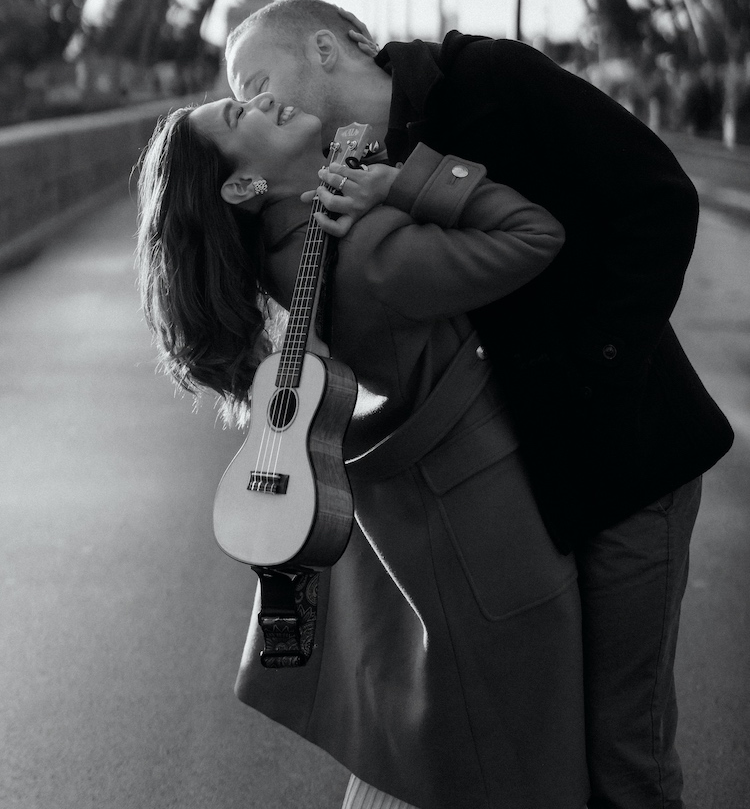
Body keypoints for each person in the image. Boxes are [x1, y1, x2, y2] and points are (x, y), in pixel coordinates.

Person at [225, 0, 735, 809]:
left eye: (254, 81)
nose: (253, 105)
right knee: (562, 751)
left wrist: (594, 375)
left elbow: (658, 195)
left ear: (326, 47)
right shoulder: (347, 182)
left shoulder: (489, 79)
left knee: (625, 758)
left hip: (629, 463)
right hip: (535, 492)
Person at [137, 92, 590, 809]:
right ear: (244, 186)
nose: (261, 100)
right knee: (510, 756)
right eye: (238, 112)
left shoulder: (287, 248)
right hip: (484, 522)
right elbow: (535, 234)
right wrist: (410, 182)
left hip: (425, 515)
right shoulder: (365, 252)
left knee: (429, 750)